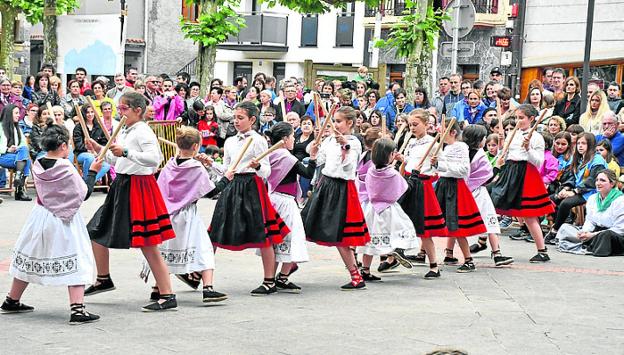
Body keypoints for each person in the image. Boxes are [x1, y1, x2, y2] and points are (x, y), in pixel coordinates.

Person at [85, 92, 178, 312]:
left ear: (138, 110)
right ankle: (103, 278)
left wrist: (126, 151)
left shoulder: (143, 131)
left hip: (139, 187)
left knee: (147, 243)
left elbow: (156, 159)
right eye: (119, 108)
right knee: (95, 230)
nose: (120, 112)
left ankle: (167, 293)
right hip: (123, 185)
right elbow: (118, 160)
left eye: (124, 108)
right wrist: (100, 149)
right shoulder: (126, 129)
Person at [1, 125, 101, 324]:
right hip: (64, 219)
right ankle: (77, 309)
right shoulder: (65, 167)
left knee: (30, 254)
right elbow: (84, 193)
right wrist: (92, 172)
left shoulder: (38, 162)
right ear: (63, 145)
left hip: (40, 215)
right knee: (78, 256)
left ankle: (12, 300)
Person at [209, 101, 290, 296]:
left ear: (252, 120)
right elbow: (229, 169)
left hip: (252, 186)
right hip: (232, 186)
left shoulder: (258, 140)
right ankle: (199, 274)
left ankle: (269, 280)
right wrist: (211, 163)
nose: (236, 121)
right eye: (235, 117)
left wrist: (257, 167)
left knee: (264, 233)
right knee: (215, 229)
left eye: (240, 118)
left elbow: (267, 171)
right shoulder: (229, 141)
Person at [156, 126, 228, 303]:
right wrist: (227, 178)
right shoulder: (195, 167)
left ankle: (158, 287)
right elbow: (211, 192)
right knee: (204, 249)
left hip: (167, 214)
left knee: (165, 250)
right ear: (196, 146)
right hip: (187, 214)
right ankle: (208, 288)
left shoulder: (169, 165)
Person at [301, 106, 370, 290]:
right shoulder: (330, 139)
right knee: (304, 225)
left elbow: (349, 166)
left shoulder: (354, 142)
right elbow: (320, 159)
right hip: (325, 185)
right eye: (334, 121)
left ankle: (356, 276)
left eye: (338, 121)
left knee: (341, 236)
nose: (335, 125)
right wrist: (314, 150)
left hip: (342, 189)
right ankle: (289, 265)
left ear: (349, 123)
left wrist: (344, 146)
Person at [490, 104, 556, 262]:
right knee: (493, 205)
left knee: (529, 215)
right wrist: (501, 144)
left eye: (521, 118)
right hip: (511, 170)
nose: (518, 121)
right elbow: (505, 153)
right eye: (517, 118)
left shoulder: (537, 137)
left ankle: (542, 250)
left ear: (531, 119)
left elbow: (538, 162)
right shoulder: (514, 133)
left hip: (526, 173)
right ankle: (487, 244)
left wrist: (528, 149)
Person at [262, 122, 317, 292]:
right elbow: (307, 173)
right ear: (285, 139)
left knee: (273, 239)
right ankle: (282, 277)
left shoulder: (269, 155)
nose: (294, 139)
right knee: (290, 238)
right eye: (292, 136)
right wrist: (313, 158)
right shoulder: (288, 158)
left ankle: (271, 277)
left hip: (271, 199)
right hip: (285, 202)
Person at [358, 138, 419, 278]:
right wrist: (414, 174)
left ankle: (365, 270)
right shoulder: (392, 174)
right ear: (390, 155)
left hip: (371, 208)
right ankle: (397, 249)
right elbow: (406, 188)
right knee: (404, 228)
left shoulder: (371, 170)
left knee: (371, 241)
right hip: (388, 209)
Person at [431, 119, 486, 272]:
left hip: (455, 186)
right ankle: (442, 253)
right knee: (438, 221)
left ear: (453, 132)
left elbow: (463, 170)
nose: (440, 134)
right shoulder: (446, 147)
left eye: (443, 131)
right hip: (444, 185)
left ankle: (469, 259)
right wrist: (436, 164)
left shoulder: (461, 147)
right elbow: (442, 169)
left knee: (457, 224)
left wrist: (441, 165)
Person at [398, 109, 448, 278]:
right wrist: (402, 161)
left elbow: (443, 168)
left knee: (424, 228)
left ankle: (434, 265)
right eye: (410, 125)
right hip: (409, 183)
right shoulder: (410, 142)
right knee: (402, 221)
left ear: (427, 125)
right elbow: (408, 163)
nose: (412, 128)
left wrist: (436, 163)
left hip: (423, 185)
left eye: (415, 125)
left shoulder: (434, 143)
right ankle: (393, 256)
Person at [463, 125, 514, 266]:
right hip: (479, 193)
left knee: (457, 225)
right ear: (479, 140)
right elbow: (488, 178)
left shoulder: (461, 152)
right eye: (485, 138)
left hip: (463, 191)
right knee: (490, 221)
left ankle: (449, 252)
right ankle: (497, 254)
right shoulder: (480, 156)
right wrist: (497, 166)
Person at [544, 132, 607, 244]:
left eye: (584, 143)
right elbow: (572, 176)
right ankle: (535, 229)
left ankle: (555, 230)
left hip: (592, 192)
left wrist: (575, 191)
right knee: (552, 199)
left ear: (591, 145)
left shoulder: (597, 160)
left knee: (565, 203)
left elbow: (593, 181)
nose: (580, 146)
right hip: (578, 190)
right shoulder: (577, 158)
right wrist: (567, 188)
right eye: (578, 143)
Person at [556, 169, 624, 256]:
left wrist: (592, 235)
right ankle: (586, 242)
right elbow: (590, 221)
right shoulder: (593, 198)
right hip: (595, 232)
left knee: (605, 236)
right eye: (597, 180)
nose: (598, 183)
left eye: (602, 180)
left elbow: (620, 229)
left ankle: (587, 245)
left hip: (612, 234)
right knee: (565, 228)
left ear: (612, 184)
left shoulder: (620, 200)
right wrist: (584, 232)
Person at [0, 104, 32, 201]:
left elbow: (23, 145)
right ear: (9, 114)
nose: (19, 115)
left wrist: (16, 148)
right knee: (26, 161)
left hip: (14, 156)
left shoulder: (17, 128)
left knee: (24, 150)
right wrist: (6, 149)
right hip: (2, 156)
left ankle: (18, 175)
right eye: (16, 113)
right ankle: (20, 192)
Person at [73, 105, 111, 182]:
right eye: (87, 112)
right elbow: (78, 145)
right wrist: (88, 149)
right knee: (89, 157)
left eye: (92, 112)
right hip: (82, 154)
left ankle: (87, 182)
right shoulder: (78, 127)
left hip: (97, 154)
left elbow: (104, 142)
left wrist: (98, 151)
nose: (90, 114)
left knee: (107, 165)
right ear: (84, 114)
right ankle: (87, 182)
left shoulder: (99, 126)